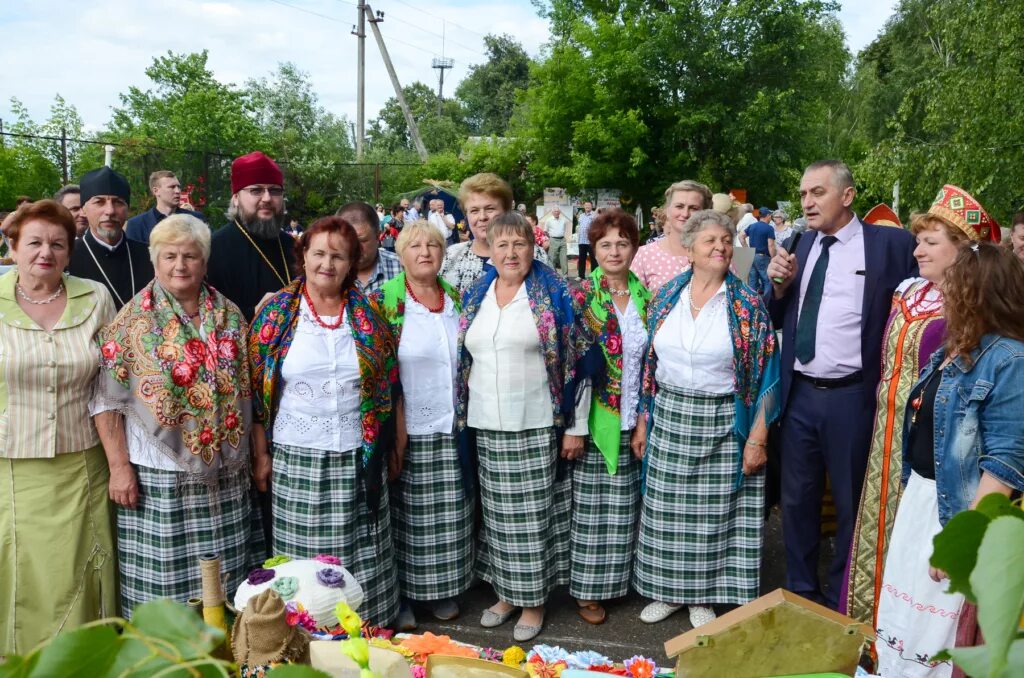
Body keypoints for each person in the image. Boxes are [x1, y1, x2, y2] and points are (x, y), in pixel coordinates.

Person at [767, 159, 918, 609]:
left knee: (851, 501)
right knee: (797, 501)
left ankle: (841, 596)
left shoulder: (890, 245)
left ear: (847, 196)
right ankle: (799, 590)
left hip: (853, 396)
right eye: (802, 194)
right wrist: (777, 288)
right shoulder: (798, 243)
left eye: (817, 193)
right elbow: (777, 317)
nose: (807, 202)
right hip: (800, 396)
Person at [846, 186, 999, 627]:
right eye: (919, 240)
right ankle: (868, 626)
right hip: (886, 430)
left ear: (963, 250)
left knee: (919, 538)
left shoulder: (975, 307)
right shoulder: (909, 292)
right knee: (878, 523)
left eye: (931, 242)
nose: (917, 250)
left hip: (936, 440)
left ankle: (911, 638)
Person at [91, 214, 254, 618]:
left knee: (225, 578)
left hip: (226, 474)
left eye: (190, 256)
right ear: (154, 261)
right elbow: (107, 401)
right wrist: (118, 468)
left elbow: (248, 390)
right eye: (169, 256)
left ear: (205, 261)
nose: (180, 265)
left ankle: (223, 650)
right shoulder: (131, 321)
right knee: (165, 589)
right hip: (159, 478)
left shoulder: (230, 315)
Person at [875, 242, 1024, 678]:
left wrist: (964, 542)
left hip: (958, 513)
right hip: (923, 502)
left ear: (978, 292)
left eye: (953, 287)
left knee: (939, 638)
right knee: (905, 626)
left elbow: (1006, 462)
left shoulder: (1010, 359)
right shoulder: (956, 348)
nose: (944, 296)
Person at [248, 216, 400, 626]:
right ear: (303, 256)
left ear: (352, 263)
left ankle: (367, 634)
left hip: (357, 453)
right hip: (299, 457)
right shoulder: (278, 313)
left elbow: (388, 382)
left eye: (338, 256)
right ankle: (305, 637)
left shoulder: (369, 313)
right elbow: (256, 393)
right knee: (305, 562)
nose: (327, 264)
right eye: (319, 253)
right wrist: (260, 454)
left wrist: (392, 444)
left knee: (361, 550)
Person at [633, 209, 780, 628]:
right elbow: (650, 365)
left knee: (713, 517)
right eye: (709, 241)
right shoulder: (666, 297)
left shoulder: (747, 305)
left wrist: (757, 437)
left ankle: (703, 597)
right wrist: (644, 420)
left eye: (725, 240)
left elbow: (769, 372)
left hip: (722, 421)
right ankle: (668, 591)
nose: (719, 247)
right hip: (670, 415)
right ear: (691, 249)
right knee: (666, 513)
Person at [458, 212, 589, 642]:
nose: (510, 253)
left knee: (532, 517)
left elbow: (582, 362)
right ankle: (506, 593)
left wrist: (577, 426)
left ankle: (533, 601)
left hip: (534, 420)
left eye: (519, 244)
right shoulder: (478, 292)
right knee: (497, 517)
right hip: (485, 421)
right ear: (489, 251)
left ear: (533, 248)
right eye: (502, 245)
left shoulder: (554, 294)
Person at [0, 200, 117, 654]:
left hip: (82, 468)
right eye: (34, 242)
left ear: (70, 253)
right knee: (20, 575)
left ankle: (82, 660)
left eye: (57, 244)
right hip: (11, 469)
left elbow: (113, 380)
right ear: (12, 247)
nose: (45, 252)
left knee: (79, 577)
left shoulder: (96, 298)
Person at [373, 220, 471, 631]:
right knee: (406, 514)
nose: (426, 252)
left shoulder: (455, 297)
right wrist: (393, 429)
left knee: (450, 512)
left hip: (452, 423)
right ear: (401, 255)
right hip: (408, 424)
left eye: (433, 244)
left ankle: (442, 589)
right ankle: (406, 594)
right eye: (415, 246)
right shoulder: (385, 300)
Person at [568, 209, 650, 625]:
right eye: (605, 244)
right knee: (590, 511)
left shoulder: (647, 297)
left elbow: (652, 362)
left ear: (634, 248)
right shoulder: (580, 297)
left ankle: (617, 583)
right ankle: (586, 590)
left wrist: (641, 420)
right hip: (593, 417)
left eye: (622, 243)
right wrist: (575, 427)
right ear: (593, 250)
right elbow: (571, 367)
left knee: (623, 510)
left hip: (633, 414)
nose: (615, 251)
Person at [207, 151, 295, 321]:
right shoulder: (213, 249)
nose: (267, 198)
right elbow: (205, 315)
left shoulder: (293, 246)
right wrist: (254, 312)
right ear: (236, 199)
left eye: (275, 191)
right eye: (256, 190)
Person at [440, 173, 548, 293]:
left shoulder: (535, 255)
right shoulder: (450, 256)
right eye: (474, 210)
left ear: (506, 212)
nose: (482, 217)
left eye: (490, 209)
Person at [68, 167, 155, 311]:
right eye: (99, 202)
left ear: (127, 208)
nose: (110, 211)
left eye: (118, 202)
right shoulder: (67, 256)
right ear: (83, 209)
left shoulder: (150, 255)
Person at [631, 180, 712, 292]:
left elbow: (736, 301)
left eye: (694, 208)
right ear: (667, 211)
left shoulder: (717, 253)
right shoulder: (645, 255)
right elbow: (634, 304)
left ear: (705, 213)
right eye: (679, 206)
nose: (685, 214)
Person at [338, 201, 402, 295]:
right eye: (346, 241)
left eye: (361, 241)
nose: (354, 247)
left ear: (377, 236)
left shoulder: (401, 267)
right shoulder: (329, 271)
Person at [125, 170, 205, 244]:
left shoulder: (196, 219)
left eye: (178, 187)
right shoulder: (136, 225)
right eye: (172, 187)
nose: (177, 191)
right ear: (156, 191)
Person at [740, 207, 777, 296]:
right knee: (767, 280)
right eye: (770, 216)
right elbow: (771, 245)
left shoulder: (752, 226)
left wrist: (746, 249)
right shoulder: (769, 228)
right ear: (767, 216)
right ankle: (767, 303)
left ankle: (751, 302)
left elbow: (741, 237)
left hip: (752, 255)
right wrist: (774, 258)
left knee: (753, 280)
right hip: (763, 257)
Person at [540, 206, 571, 275]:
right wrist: (551, 238)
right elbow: (545, 231)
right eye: (555, 211)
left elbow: (563, 229)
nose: (556, 213)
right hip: (553, 240)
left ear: (559, 212)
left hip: (562, 240)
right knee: (552, 258)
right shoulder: (549, 220)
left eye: (557, 211)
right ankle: (553, 275)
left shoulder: (563, 220)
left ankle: (565, 275)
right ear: (552, 212)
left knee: (564, 258)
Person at [576, 201, 598, 278]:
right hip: (582, 241)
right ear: (584, 206)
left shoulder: (595, 215)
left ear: (592, 206)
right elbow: (579, 226)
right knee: (582, 259)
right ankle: (581, 276)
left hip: (591, 241)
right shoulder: (581, 216)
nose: (587, 206)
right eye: (586, 205)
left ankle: (594, 276)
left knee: (593, 260)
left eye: (589, 205)